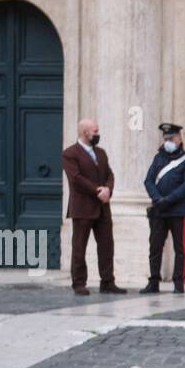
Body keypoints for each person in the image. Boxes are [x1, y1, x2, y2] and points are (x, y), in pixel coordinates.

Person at [60, 118, 124, 295]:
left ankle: (108, 281)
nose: (98, 134)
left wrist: (108, 189)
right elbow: (76, 178)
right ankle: (79, 283)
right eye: (95, 131)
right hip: (83, 208)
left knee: (106, 245)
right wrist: (97, 190)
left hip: (103, 207)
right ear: (84, 132)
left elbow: (109, 174)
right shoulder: (70, 153)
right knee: (79, 246)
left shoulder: (101, 153)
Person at [141, 122, 185, 294]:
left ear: (180, 138)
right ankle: (154, 281)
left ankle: (179, 283)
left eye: (171, 138)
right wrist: (157, 198)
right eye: (166, 138)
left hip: (178, 210)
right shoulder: (158, 158)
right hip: (159, 210)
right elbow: (148, 180)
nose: (168, 141)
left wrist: (168, 200)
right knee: (155, 247)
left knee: (180, 248)